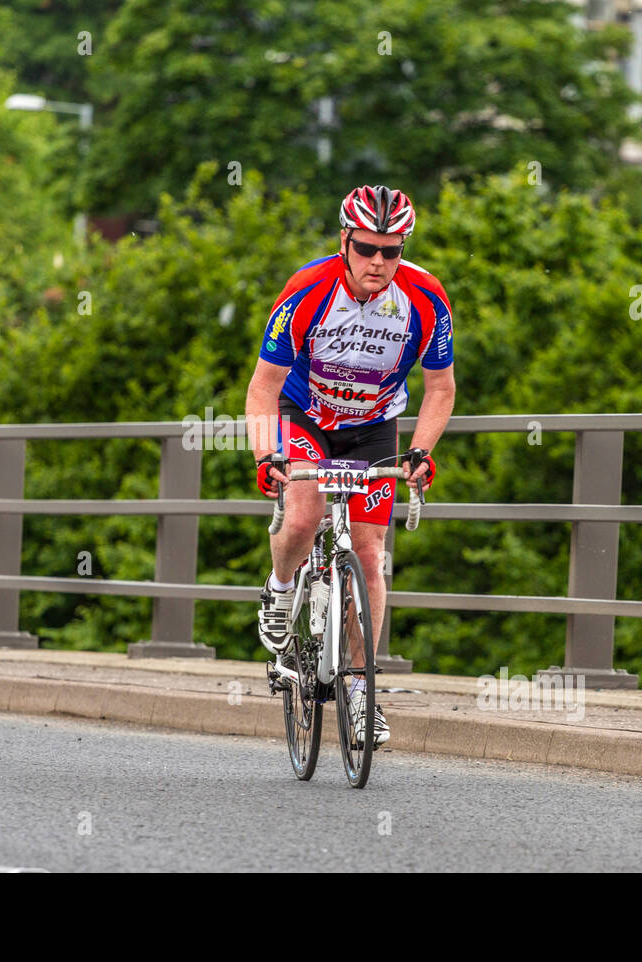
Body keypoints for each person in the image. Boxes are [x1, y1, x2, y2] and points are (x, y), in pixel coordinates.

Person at [244, 184, 456, 746]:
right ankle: (283, 585)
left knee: (369, 555)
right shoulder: (306, 290)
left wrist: (421, 451)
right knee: (302, 514)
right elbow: (262, 387)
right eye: (366, 248)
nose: (379, 262)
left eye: (392, 250)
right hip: (304, 414)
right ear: (345, 240)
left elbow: (440, 389)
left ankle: (362, 692)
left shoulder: (426, 297)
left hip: (373, 427)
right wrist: (267, 455)